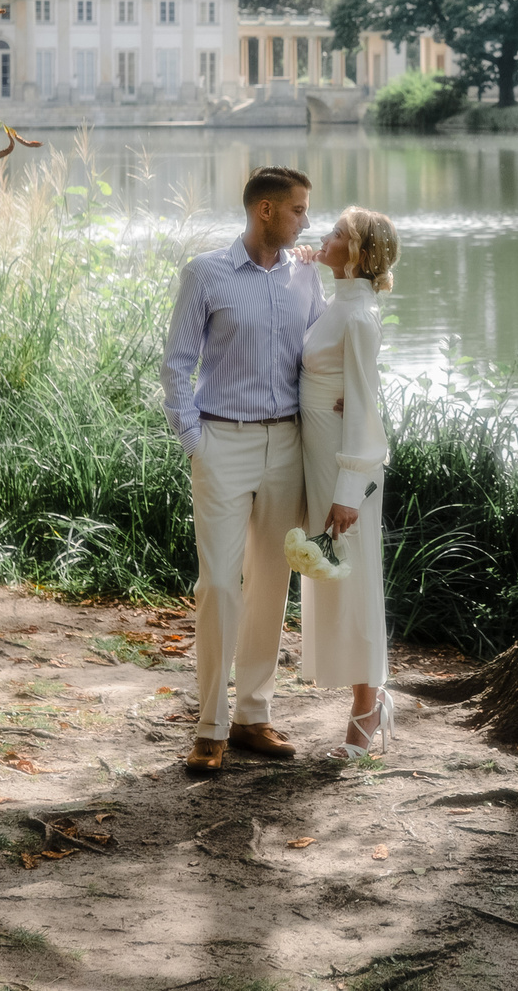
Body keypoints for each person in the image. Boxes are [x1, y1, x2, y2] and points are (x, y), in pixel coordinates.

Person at [161, 165, 324, 774]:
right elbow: (178, 363)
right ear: (266, 212)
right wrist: (196, 440)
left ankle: (254, 715)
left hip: (287, 445)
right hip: (221, 443)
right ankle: (209, 726)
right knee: (219, 586)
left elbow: (319, 353)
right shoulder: (206, 273)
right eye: (300, 209)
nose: (306, 220)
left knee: (270, 587)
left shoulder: (305, 273)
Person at [300, 207, 397, 757]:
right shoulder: (339, 303)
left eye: (337, 234)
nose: (324, 236)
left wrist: (348, 492)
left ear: (358, 253)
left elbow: (363, 407)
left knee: (354, 583)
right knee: (332, 581)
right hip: (319, 458)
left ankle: (367, 708)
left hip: (346, 472)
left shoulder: (359, 317)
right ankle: (368, 697)